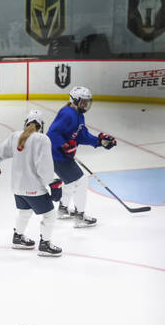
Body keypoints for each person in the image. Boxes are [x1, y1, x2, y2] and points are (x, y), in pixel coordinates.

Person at [0, 109, 64, 257]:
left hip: (17, 187)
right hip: (34, 188)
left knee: (25, 212)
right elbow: (43, 166)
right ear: (41, 125)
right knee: (50, 215)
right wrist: (53, 183)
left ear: (26, 123)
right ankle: (45, 244)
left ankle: (18, 237)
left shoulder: (15, 136)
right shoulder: (42, 139)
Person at [45, 86, 116, 228]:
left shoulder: (78, 115)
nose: (85, 105)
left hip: (62, 157)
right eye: (83, 101)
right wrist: (64, 145)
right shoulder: (67, 113)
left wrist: (99, 141)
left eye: (87, 102)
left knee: (71, 182)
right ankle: (79, 216)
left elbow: (82, 135)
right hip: (56, 156)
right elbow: (52, 134)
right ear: (74, 100)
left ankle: (63, 209)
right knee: (81, 180)